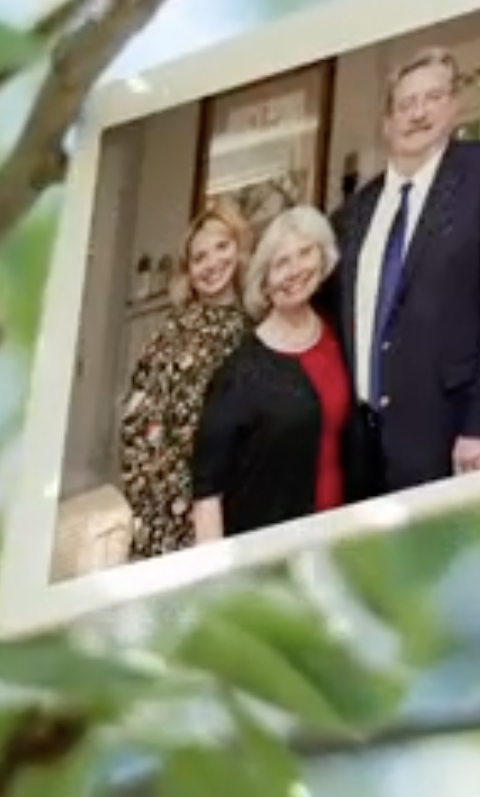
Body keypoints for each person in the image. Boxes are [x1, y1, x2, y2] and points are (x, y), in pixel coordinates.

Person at [318, 46, 480, 493]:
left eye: (432, 98)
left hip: (451, 433)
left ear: (455, 106)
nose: (418, 114)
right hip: (363, 445)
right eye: (406, 103)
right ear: (387, 123)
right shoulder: (354, 212)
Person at [191, 206, 352, 541]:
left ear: (322, 258)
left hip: (340, 534)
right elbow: (207, 495)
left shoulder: (340, 334)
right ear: (264, 284)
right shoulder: (240, 373)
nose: (295, 270)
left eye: (305, 253)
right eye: (281, 263)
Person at [117, 201, 252, 559]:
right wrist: (171, 493)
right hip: (169, 497)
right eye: (199, 258)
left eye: (222, 247)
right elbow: (137, 417)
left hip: (234, 495)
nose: (212, 264)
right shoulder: (173, 331)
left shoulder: (254, 328)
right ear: (188, 272)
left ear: (239, 248)